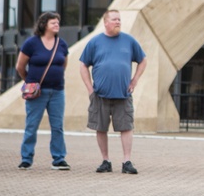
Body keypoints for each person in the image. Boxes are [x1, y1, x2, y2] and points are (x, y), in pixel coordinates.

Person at [79, 10, 147, 175]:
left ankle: (127, 161)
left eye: (119, 19)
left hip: (123, 95)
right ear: (106, 22)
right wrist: (90, 88)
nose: (118, 22)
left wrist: (135, 80)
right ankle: (105, 160)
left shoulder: (129, 41)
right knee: (100, 128)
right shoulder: (94, 42)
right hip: (100, 95)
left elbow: (143, 60)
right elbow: (83, 65)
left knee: (126, 127)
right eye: (114, 19)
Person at [17, 12, 71, 170]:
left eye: (58, 23)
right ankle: (26, 158)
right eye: (53, 22)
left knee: (57, 126)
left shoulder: (62, 44)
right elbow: (20, 66)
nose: (56, 25)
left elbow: (63, 65)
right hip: (37, 93)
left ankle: (59, 158)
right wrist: (29, 81)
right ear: (44, 25)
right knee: (32, 125)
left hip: (57, 91)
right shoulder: (31, 43)